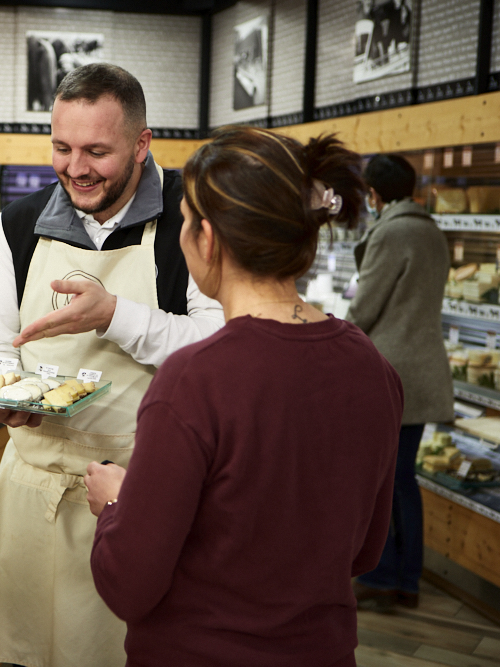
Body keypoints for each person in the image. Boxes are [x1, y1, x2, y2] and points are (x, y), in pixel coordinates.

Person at [84, 126, 403, 666]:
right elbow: (365, 550)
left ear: (207, 239)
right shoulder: (373, 369)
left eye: (184, 221)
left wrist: (117, 503)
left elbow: (128, 585)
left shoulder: (194, 381)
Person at [0, 63, 224, 667]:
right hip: (31, 487)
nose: (76, 168)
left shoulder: (190, 218)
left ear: (141, 144)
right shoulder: (20, 223)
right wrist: (2, 399)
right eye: (62, 147)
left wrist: (114, 316)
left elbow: (219, 350)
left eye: (97, 151)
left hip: (143, 494)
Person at [348, 153, 454, 611]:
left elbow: (365, 307)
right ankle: (406, 578)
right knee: (403, 479)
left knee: (384, 480)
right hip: (426, 366)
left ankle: (386, 573)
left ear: (373, 193)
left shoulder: (392, 232)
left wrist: (334, 335)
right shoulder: (430, 229)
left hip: (391, 371)